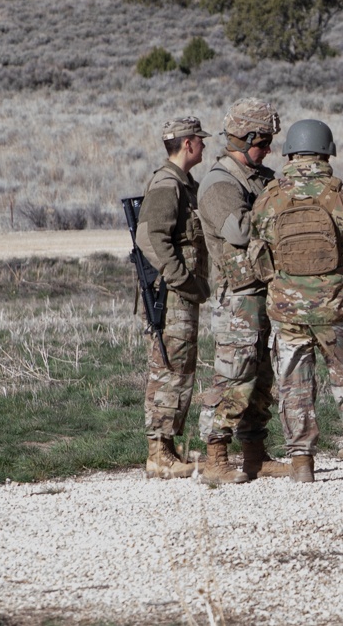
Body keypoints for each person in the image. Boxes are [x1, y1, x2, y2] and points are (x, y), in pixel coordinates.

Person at [249, 119, 343, 482]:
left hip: (287, 310)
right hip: (337, 307)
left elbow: (258, 255)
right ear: (328, 151)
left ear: (290, 152)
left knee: (294, 386)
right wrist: (337, 279)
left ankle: (302, 464)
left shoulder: (268, 198)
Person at [196, 99, 290, 483]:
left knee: (262, 375)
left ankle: (255, 453)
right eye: (263, 141)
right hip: (238, 296)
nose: (268, 149)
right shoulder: (221, 183)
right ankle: (216, 457)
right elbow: (238, 230)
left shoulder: (260, 178)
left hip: (264, 288)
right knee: (233, 374)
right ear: (244, 138)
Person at [136, 115, 211, 479]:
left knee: (179, 369)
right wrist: (181, 278)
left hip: (182, 294)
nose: (204, 145)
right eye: (200, 139)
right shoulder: (168, 184)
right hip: (172, 296)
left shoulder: (184, 182)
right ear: (188, 144)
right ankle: (158, 454)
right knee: (168, 370)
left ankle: (168, 446)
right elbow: (149, 238)